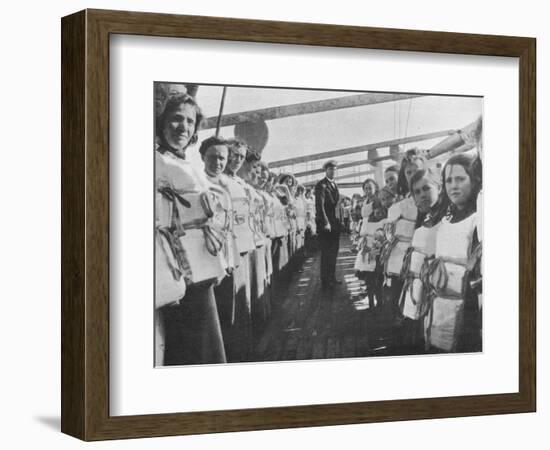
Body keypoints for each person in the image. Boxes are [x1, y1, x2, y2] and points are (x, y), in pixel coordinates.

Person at [155, 94, 227, 365]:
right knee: (195, 348)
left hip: (204, 266)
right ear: (161, 122)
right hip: (182, 270)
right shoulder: (157, 162)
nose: (183, 127)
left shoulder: (185, 162)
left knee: (205, 344)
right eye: (176, 118)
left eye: (190, 121)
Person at [424, 153, 482, 353]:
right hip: (440, 304)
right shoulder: (445, 219)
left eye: (460, 179)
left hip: (468, 310)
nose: (453, 185)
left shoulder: (479, 220)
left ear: (474, 180)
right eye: (448, 180)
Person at [398, 168, 446, 353]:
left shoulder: (447, 222)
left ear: (439, 188)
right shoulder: (425, 220)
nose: (422, 195)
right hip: (418, 299)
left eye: (426, 188)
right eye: (416, 192)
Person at [315, 160, 341, 288]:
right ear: (326, 170)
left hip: (334, 224)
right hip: (326, 225)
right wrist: (326, 222)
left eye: (335, 169)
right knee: (326, 253)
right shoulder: (321, 185)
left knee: (334, 251)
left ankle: (332, 277)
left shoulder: (334, 185)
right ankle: (325, 280)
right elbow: (320, 206)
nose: (333, 171)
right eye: (330, 169)